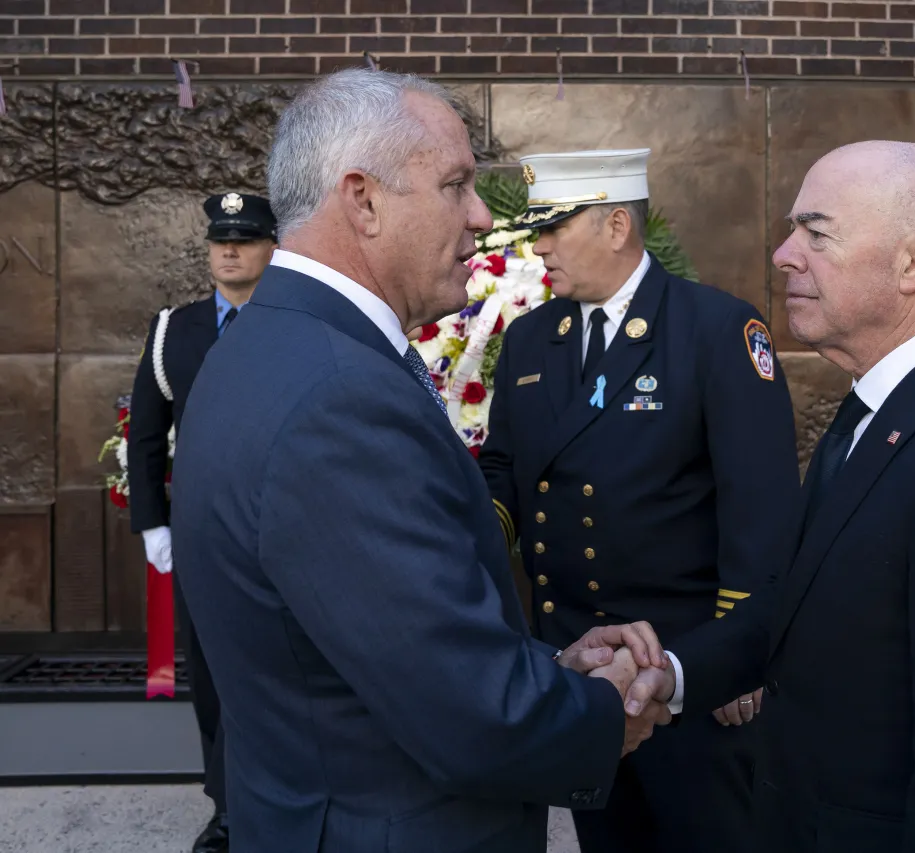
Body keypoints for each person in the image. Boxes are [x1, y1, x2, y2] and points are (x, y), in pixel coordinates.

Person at [168, 69, 672, 853]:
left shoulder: (275, 345)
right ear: (362, 199)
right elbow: (471, 716)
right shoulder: (337, 394)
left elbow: (379, 637)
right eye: (456, 185)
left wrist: (549, 667)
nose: (480, 217)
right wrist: (609, 708)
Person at [621, 141, 915, 853]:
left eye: (816, 231)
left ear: (914, 261)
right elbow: (806, 598)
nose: (782, 253)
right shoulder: (879, 406)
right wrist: (674, 674)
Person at [478, 148, 801, 853]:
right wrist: (466, 532)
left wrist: (740, 653)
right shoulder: (533, 338)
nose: (540, 245)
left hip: (689, 667)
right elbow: (503, 466)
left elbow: (763, 503)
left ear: (618, 225)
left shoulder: (714, 329)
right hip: (579, 666)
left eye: (557, 227)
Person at [127, 190, 278, 853]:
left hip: (284, 531)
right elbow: (146, 436)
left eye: (244, 238)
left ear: (273, 247)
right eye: (221, 238)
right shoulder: (174, 330)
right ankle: (227, 811)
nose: (229, 248)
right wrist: (154, 524)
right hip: (203, 538)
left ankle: (283, 799)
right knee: (214, 678)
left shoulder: (294, 321)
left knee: (283, 670)